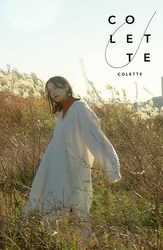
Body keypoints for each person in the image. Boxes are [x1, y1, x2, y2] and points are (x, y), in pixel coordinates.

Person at [24, 76, 121, 225]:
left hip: (74, 167)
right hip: (58, 167)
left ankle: (81, 242)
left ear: (66, 87)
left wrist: (111, 166)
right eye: (50, 91)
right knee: (54, 205)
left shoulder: (79, 108)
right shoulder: (62, 115)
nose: (53, 93)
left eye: (56, 88)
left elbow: (94, 136)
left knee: (77, 209)